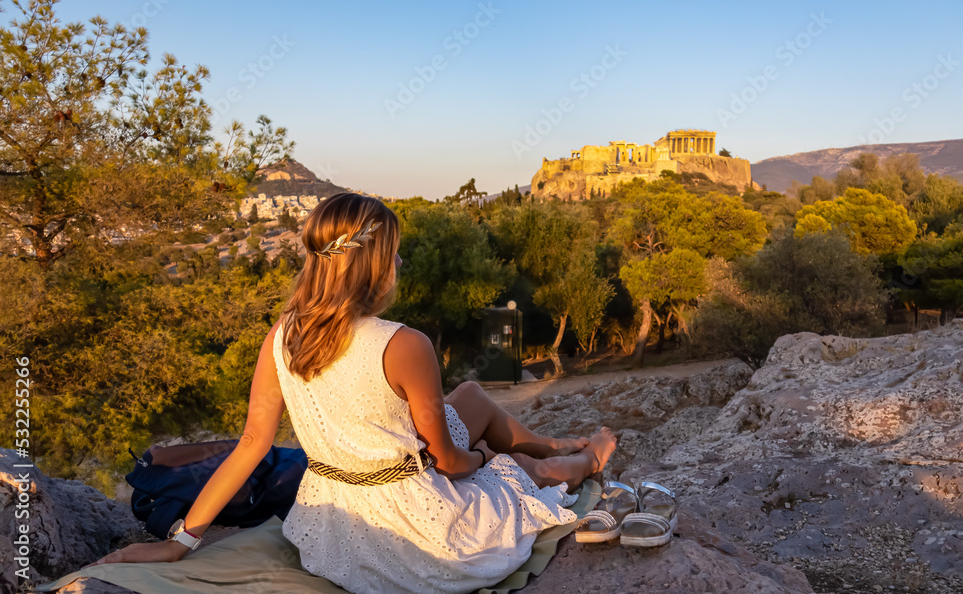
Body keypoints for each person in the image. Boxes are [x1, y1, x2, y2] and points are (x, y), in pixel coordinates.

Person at [93, 192, 617, 593]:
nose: (399, 265)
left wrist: (180, 542)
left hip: (329, 537)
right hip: (421, 544)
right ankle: (587, 459)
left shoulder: (281, 335)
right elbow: (452, 463)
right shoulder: (403, 344)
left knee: (474, 396)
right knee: (518, 474)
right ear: (375, 263)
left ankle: (546, 441)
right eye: (395, 254)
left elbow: (250, 444)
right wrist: (485, 456)